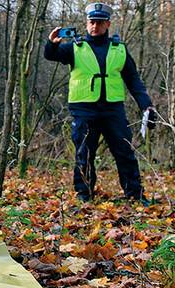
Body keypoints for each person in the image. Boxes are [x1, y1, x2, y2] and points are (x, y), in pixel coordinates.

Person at [44, 2, 156, 204]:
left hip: (113, 110)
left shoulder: (119, 49)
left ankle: (135, 195)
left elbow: (133, 79)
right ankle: (84, 195)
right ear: (87, 23)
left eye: (99, 22)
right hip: (84, 110)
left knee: (125, 152)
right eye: (91, 22)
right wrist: (52, 43)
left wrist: (146, 105)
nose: (95, 26)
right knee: (84, 154)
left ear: (107, 24)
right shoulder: (74, 48)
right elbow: (51, 55)